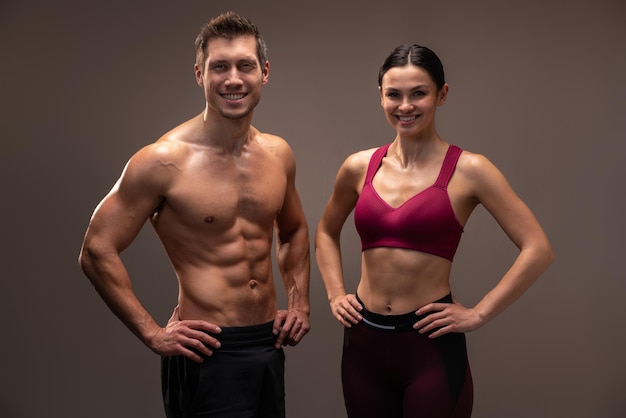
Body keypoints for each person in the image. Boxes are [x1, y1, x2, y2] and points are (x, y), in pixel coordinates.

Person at [78, 11, 310, 418]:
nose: (233, 79)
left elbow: (292, 231)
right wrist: (152, 332)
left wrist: (299, 302)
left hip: (267, 346)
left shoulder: (278, 154)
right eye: (219, 66)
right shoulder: (162, 161)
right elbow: (96, 249)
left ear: (264, 72)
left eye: (245, 66)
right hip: (206, 352)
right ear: (200, 74)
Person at [315, 44, 554, 418]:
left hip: (430, 349)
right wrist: (334, 294)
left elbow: (538, 248)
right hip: (362, 344)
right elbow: (326, 232)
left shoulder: (471, 170)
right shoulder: (358, 166)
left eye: (419, 93)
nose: (405, 106)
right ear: (380, 95)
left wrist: (479, 313)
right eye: (394, 94)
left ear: (442, 94)